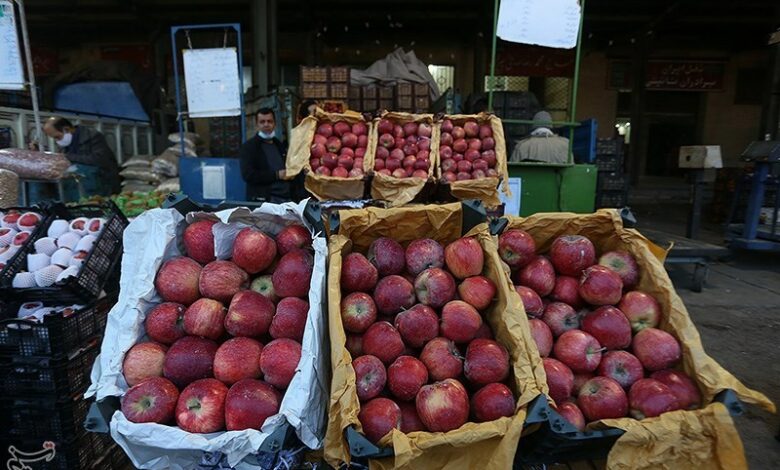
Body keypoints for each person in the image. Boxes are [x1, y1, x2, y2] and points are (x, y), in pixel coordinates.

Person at [42, 117, 121, 195]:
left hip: (101, 181)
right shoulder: (66, 142)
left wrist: (69, 157)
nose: (57, 141)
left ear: (66, 129)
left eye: (57, 137)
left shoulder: (92, 136)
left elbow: (99, 159)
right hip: (77, 184)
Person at [239, 107, 304, 203]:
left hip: (287, 200)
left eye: (269, 121)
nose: (266, 124)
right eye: (262, 122)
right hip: (265, 202)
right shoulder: (249, 147)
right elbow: (248, 175)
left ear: (274, 124)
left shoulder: (280, 146)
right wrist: (276, 175)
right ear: (257, 125)